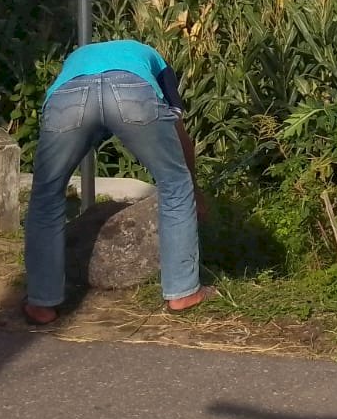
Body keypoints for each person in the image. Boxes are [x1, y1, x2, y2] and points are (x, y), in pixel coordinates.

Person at [22, 39, 215, 325]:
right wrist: (193, 188)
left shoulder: (77, 57)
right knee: (175, 183)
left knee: (47, 194)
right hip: (131, 91)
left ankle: (41, 302)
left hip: (69, 97)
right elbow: (178, 131)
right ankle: (182, 291)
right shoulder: (156, 60)